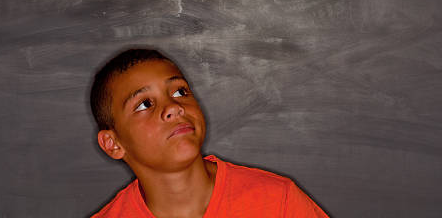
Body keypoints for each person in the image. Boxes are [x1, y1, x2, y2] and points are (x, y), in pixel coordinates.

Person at [90, 48, 329, 218]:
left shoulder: (278, 202)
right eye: (145, 104)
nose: (174, 107)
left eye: (180, 92)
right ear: (112, 143)